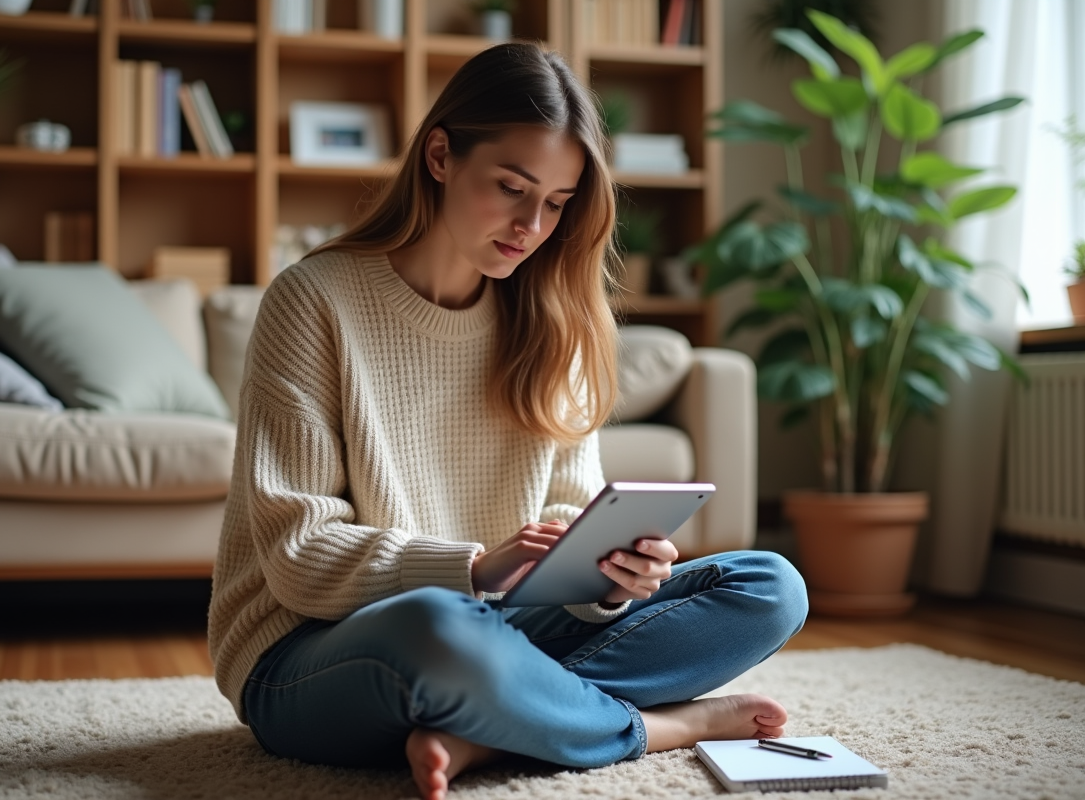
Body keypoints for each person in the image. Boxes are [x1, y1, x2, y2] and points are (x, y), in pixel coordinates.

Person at [208, 42, 808, 800]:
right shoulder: (313, 300)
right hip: (313, 655)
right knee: (438, 627)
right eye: (512, 188)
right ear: (439, 155)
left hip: (500, 635)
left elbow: (565, 519)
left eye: (557, 203)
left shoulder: (552, 317)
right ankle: (660, 727)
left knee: (769, 584)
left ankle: (486, 733)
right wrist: (474, 569)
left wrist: (612, 580)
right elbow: (298, 551)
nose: (532, 224)